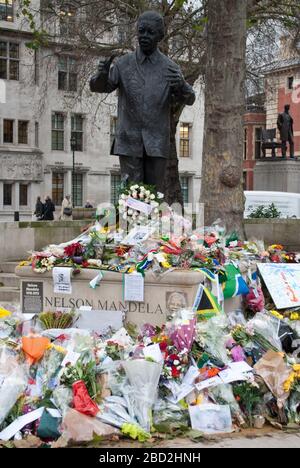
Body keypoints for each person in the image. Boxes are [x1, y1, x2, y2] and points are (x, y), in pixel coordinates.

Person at [90, 10, 195, 193]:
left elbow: (190, 98)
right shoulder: (123, 64)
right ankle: (131, 222)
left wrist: (182, 86)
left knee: (154, 195)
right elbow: (100, 87)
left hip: (157, 142)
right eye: (141, 31)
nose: (144, 36)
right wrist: (101, 74)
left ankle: (152, 223)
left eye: (150, 32)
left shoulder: (170, 67)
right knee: (132, 196)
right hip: (129, 140)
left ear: (160, 36)